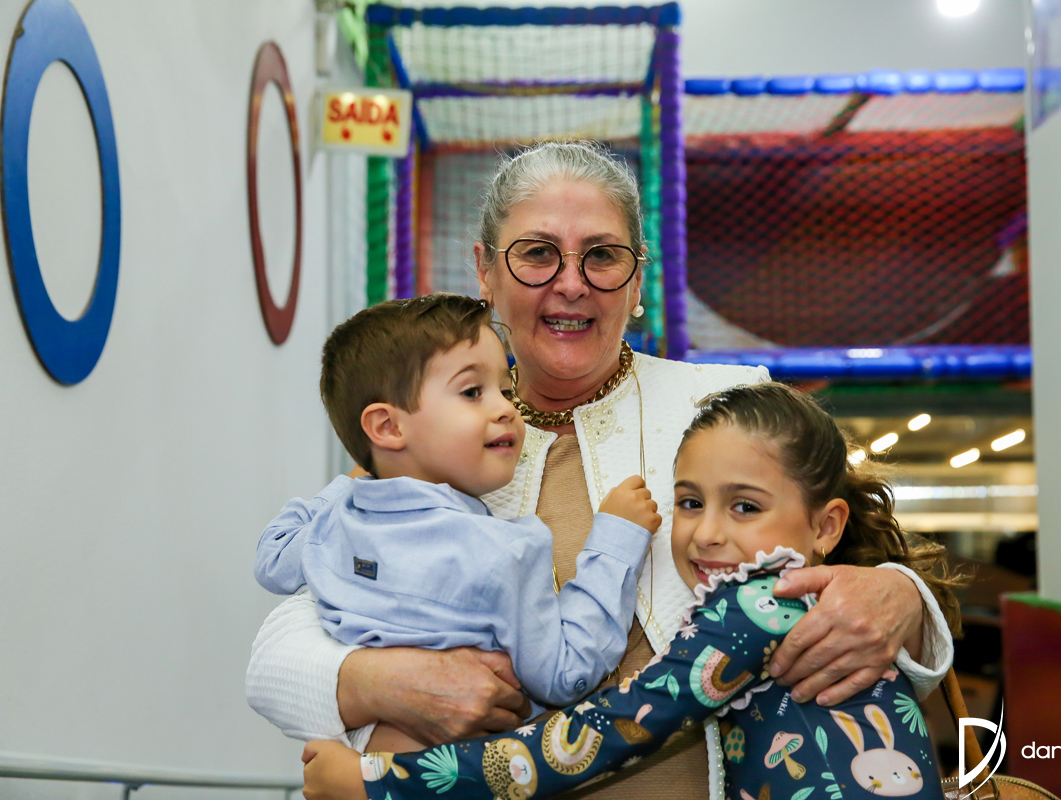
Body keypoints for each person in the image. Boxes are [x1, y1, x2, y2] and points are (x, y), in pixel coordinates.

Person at [246, 140, 954, 799]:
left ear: (637, 277)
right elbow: (276, 655)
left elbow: (868, 564)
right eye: (537, 254)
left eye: (602, 256)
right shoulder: (435, 443)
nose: (571, 283)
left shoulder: (727, 402)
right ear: (486, 272)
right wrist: (381, 682)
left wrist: (900, 597)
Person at [299, 383, 956, 800]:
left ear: (826, 526)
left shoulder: (756, 610)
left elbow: (602, 736)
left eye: (746, 507)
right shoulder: (808, 605)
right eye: (690, 502)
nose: (707, 533)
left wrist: (378, 783)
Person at [254, 294, 663, 750]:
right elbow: (565, 674)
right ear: (388, 428)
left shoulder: (332, 527)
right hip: (459, 772)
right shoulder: (501, 552)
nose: (506, 409)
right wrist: (616, 540)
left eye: (506, 391)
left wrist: (357, 481)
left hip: (364, 761)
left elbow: (273, 558)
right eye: (472, 392)